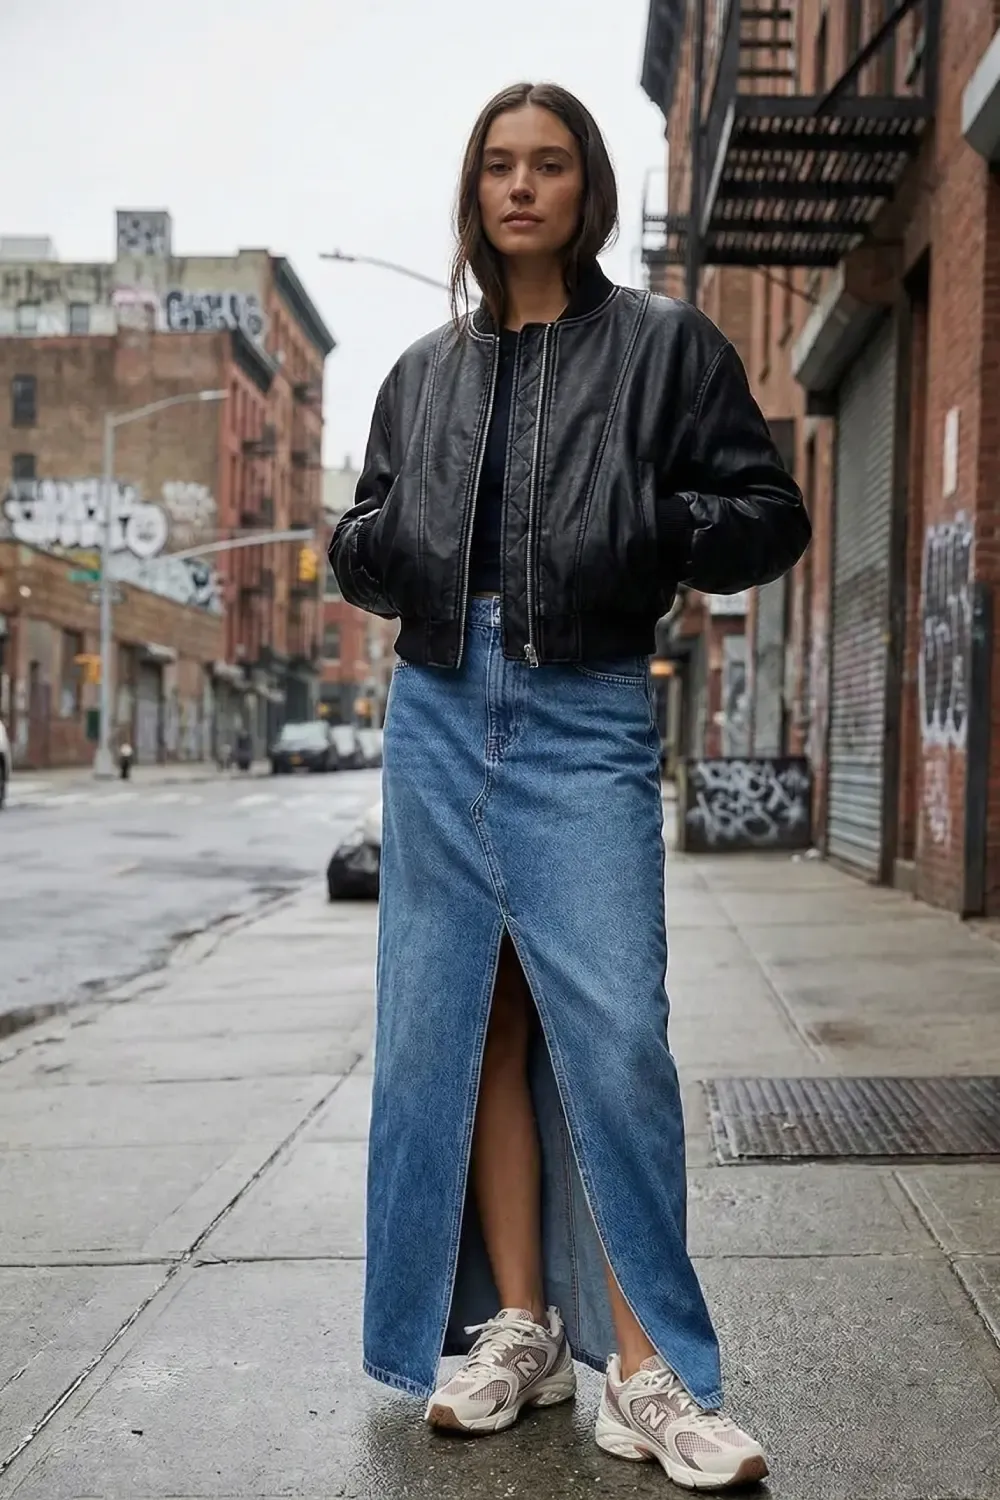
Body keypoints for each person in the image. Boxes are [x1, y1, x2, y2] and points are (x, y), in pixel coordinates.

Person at [330, 81, 810, 1492]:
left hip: (586, 706)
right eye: (498, 165)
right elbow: (362, 524)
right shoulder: (425, 367)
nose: (521, 186)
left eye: (548, 164)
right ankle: (520, 1326)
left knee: (615, 1041)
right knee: (467, 1024)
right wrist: (391, 549)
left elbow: (768, 513)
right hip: (435, 707)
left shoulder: (663, 349)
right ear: (474, 191)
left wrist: (641, 526)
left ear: (585, 186)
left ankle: (656, 1371)